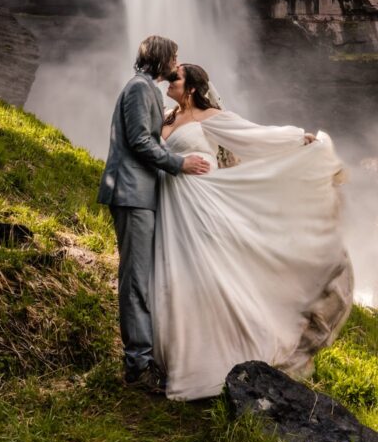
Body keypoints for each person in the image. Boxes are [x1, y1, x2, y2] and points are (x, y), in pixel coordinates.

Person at [152, 62, 353, 401]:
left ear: (192, 87)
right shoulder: (168, 117)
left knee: (208, 275)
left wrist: (296, 139)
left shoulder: (207, 115)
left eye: (175, 77)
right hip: (170, 202)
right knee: (174, 275)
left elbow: (252, 135)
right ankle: (173, 357)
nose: (168, 81)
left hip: (200, 201)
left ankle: (221, 354)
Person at [97, 37, 210, 393]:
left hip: (140, 195)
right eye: (173, 56)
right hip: (131, 194)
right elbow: (140, 142)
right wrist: (180, 163)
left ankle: (143, 358)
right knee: (135, 280)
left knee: (141, 278)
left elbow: (148, 137)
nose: (177, 63)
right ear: (160, 59)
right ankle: (138, 365)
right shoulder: (138, 89)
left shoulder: (146, 91)